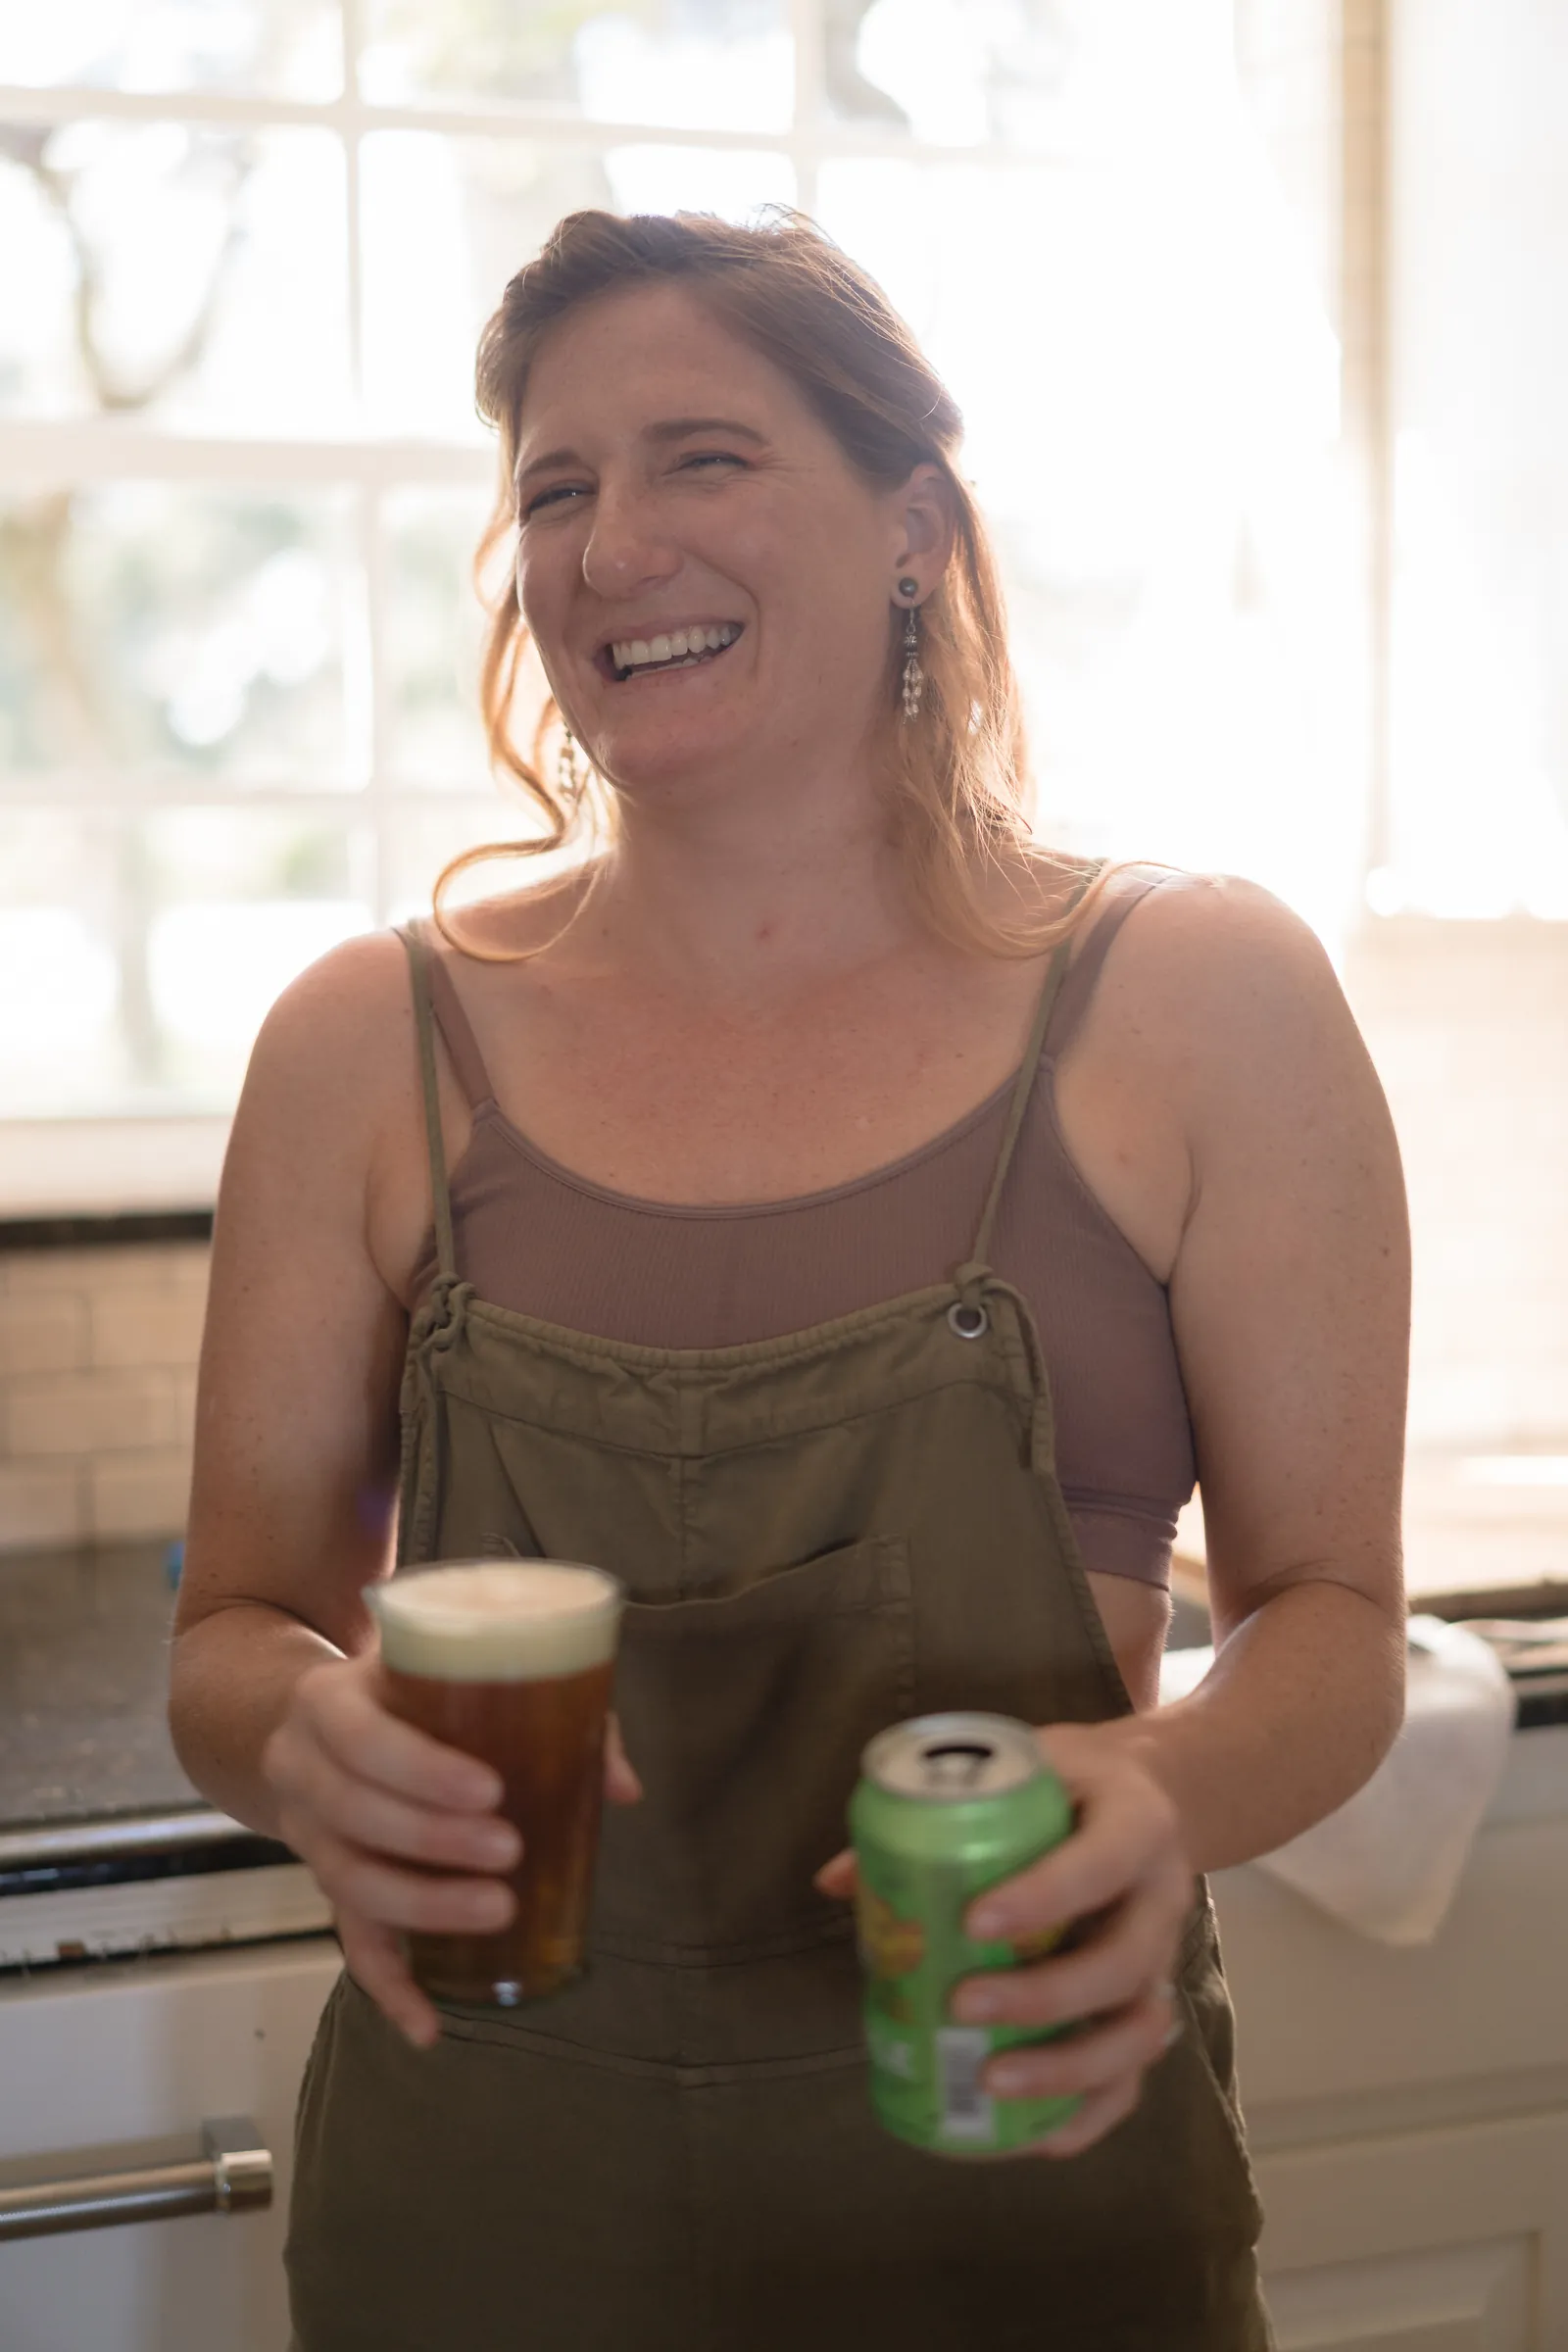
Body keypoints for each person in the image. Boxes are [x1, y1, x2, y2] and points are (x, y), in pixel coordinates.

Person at [168, 209, 1408, 2352]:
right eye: (554, 489)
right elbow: (230, 1625)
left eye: (701, 459)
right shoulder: (357, 1042)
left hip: (1018, 2198)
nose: (609, 545)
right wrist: (297, 1740)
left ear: (911, 523)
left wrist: (1164, 1790)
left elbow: (1336, 1622)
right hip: (475, 2217)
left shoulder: (1199, 998)